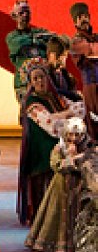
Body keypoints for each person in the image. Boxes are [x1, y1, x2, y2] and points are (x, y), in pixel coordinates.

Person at [19, 58, 84, 226]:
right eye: (35, 78)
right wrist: (68, 114)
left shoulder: (55, 97)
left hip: (59, 146)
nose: (40, 81)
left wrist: (64, 114)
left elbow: (80, 108)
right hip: (43, 152)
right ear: (30, 82)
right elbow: (51, 126)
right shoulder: (32, 103)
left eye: (42, 77)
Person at [27, 117, 90, 252]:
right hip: (60, 190)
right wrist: (70, 158)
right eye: (70, 135)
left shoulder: (89, 149)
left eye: (77, 135)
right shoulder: (59, 148)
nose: (73, 138)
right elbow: (56, 165)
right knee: (53, 221)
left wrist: (81, 159)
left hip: (81, 190)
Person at [6, 0, 54, 104]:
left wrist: (37, 39)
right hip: (23, 84)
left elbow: (53, 38)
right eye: (21, 13)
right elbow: (17, 44)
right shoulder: (12, 37)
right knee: (29, 109)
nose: (25, 15)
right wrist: (36, 39)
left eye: (27, 12)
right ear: (14, 16)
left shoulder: (39, 31)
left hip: (43, 82)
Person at [70, 2, 98, 139]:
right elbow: (89, 50)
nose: (83, 19)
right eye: (79, 17)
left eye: (85, 16)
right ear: (75, 21)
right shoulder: (75, 42)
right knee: (94, 118)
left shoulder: (95, 37)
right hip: (91, 86)